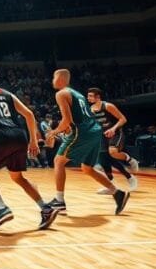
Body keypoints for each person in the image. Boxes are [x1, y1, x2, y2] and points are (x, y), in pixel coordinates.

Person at [0, 63, 58, 230]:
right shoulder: (7, 94)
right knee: (18, 177)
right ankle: (45, 208)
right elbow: (29, 114)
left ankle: (1, 208)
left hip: (1, 137)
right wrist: (33, 141)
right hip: (20, 136)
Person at [46, 69, 129, 215]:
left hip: (82, 131)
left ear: (61, 79)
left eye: (54, 77)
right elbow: (82, 116)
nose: (52, 80)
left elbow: (66, 120)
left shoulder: (61, 94)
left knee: (58, 161)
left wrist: (54, 132)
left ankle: (59, 201)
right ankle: (118, 193)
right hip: (95, 131)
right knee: (87, 168)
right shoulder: (77, 94)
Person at [86, 87, 138, 192]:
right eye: (88, 96)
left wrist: (113, 129)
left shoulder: (108, 106)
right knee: (104, 160)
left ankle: (130, 160)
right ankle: (113, 185)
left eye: (90, 96)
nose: (88, 98)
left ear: (98, 97)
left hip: (116, 133)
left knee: (113, 152)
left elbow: (123, 119)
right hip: (102, 136)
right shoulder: (90, 109)